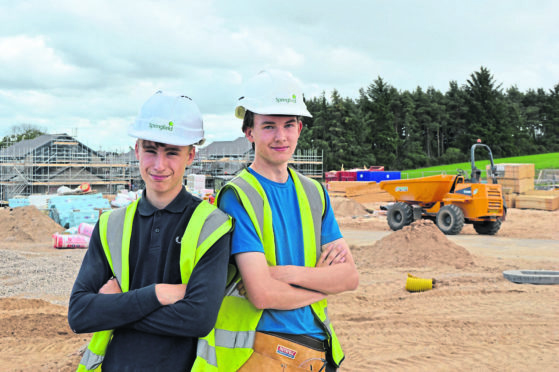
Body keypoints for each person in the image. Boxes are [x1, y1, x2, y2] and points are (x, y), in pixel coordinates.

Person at [194, 70, 359, 371]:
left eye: (288, 125)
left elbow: (349, 278)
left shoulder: (315, 193)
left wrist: (282, 273)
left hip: (318, 348)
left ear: (299, 129)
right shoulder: (238, 195)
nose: (281, 136)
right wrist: (322, 284)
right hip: (262, 349)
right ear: (250, 132)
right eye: (268, 126)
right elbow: (262, 293)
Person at [68, 91, 233, 372]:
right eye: (151, 150)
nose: (159, 165)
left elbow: (198, 319)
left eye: (172, 152)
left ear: (190, 155)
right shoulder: (111, 225)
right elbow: (80, 315)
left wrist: (113, 308)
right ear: (137, 150)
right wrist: (157, 294)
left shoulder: (212, 225)